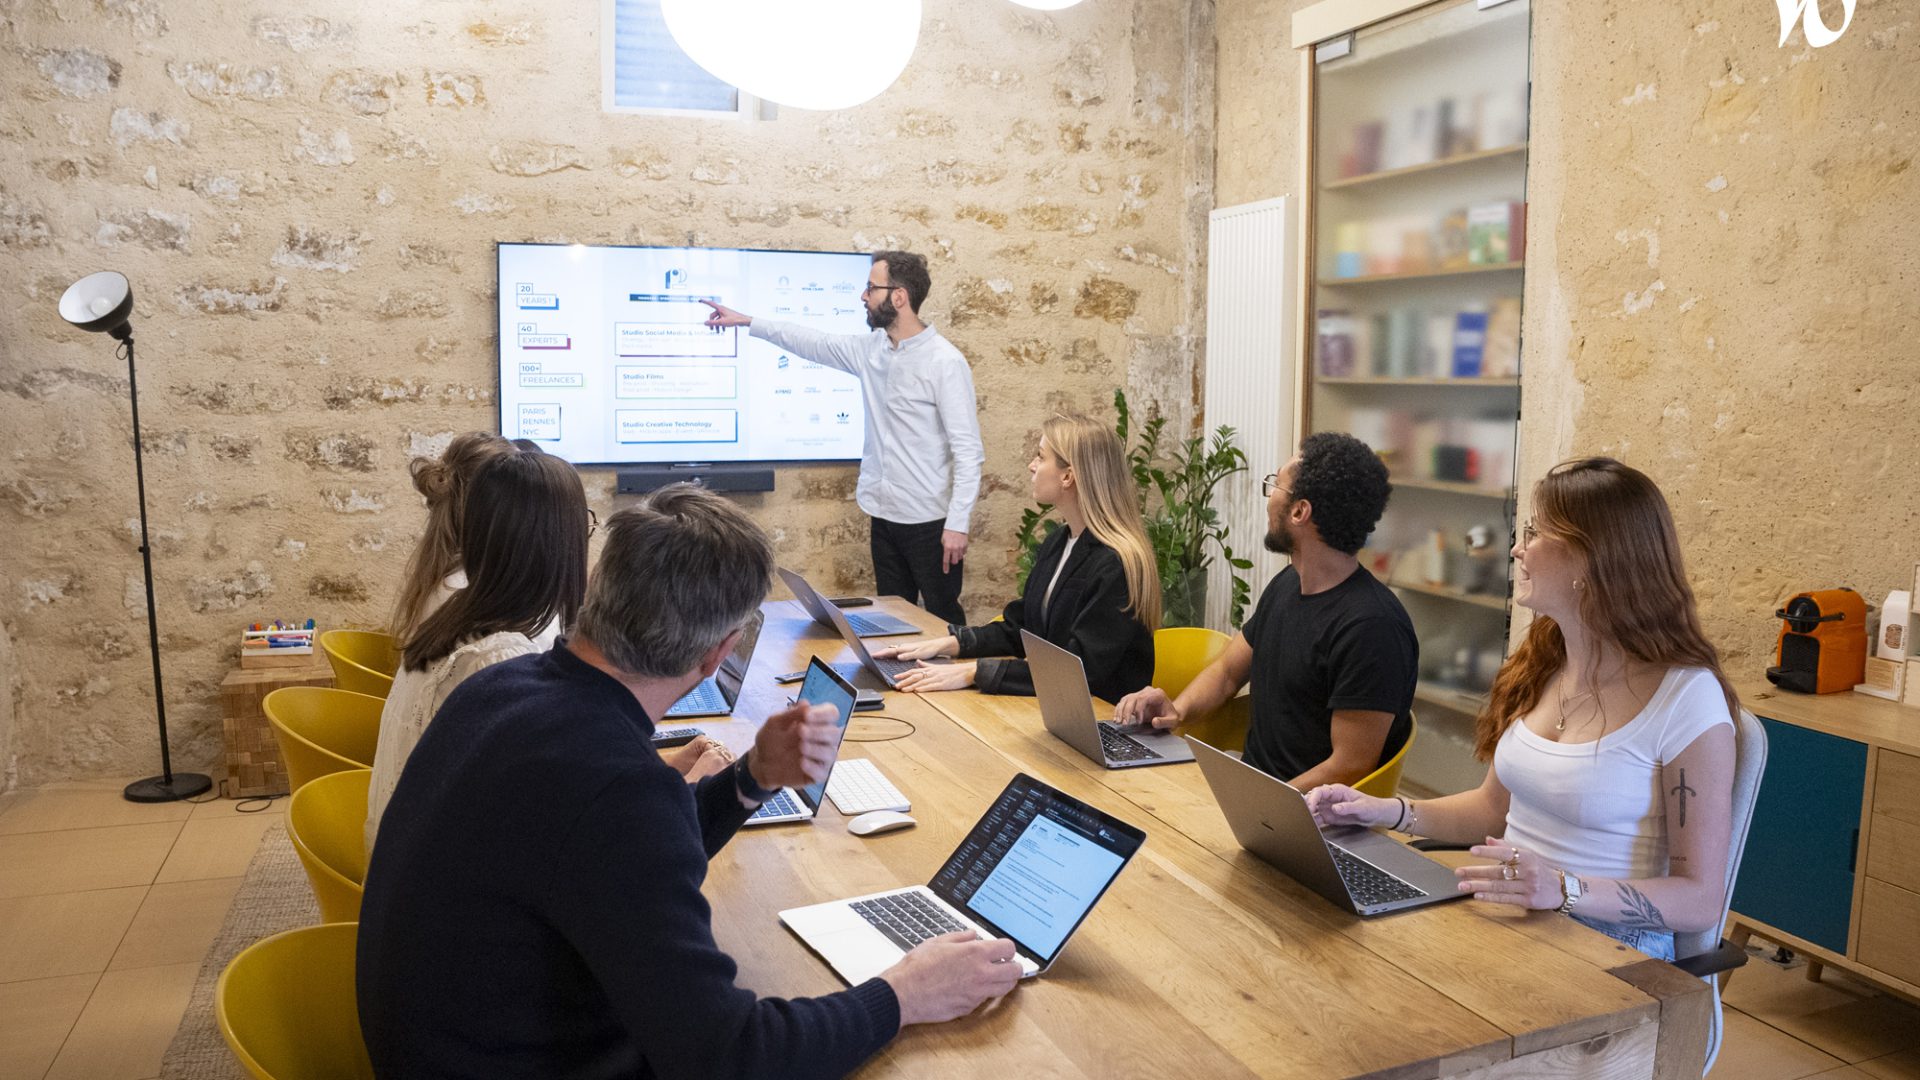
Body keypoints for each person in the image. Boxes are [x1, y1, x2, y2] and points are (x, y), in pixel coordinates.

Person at [357, 484, 1021, 1078]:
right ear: (717, 654)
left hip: (448, 1046)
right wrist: (904, 994)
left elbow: (609, 862)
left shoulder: (502, 687)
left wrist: (752, 778)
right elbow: (728, 1056)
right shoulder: (615, 789)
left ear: (599, 591)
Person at [1306, 457, 1737, 968]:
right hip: (1514, 921)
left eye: (1534, 533)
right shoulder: (1544, 662)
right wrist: (1385, 811)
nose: (1516, 548)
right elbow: (1492, 810)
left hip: (1614, 948)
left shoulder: (1687, 697)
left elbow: (1700, 899)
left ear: (1592, 558)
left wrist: (1562, 888)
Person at [1112, 432, 1416, 790]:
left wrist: (1263, 804)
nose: (1270, 498)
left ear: (1300, 511)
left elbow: (1350, 766)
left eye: (1276, 486)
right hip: (1252, 784)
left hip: (1304, 811)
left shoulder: (1372, 628)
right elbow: (1227, 673)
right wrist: (1176, 711)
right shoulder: (1288, 583)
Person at [702, 251, 984, 625]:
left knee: (943, 618)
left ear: (899, 297)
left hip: (930, 521)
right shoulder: (871, 350)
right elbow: (811, 341)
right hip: (882, 513)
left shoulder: (944, 362)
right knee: (893, 616)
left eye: (871, 288)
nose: (863, 296)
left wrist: (958, 523)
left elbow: (968, 451)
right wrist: (749, 321)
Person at [365, 449, 589, 851]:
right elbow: (544, 812)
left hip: (403, 854)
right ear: (558, 543)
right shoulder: (498, 658)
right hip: (432, 875)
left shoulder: (461, 616)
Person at [874, 413, 1158, 702]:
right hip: (1056, 706)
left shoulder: (1115, 563)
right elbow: (1020, 629)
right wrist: (947, 645)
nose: (1031, 465)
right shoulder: (1059, 541)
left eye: (1041, 457)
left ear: (1068, 476)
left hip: (1099, 716)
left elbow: (1078, 668)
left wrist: (973, 672)